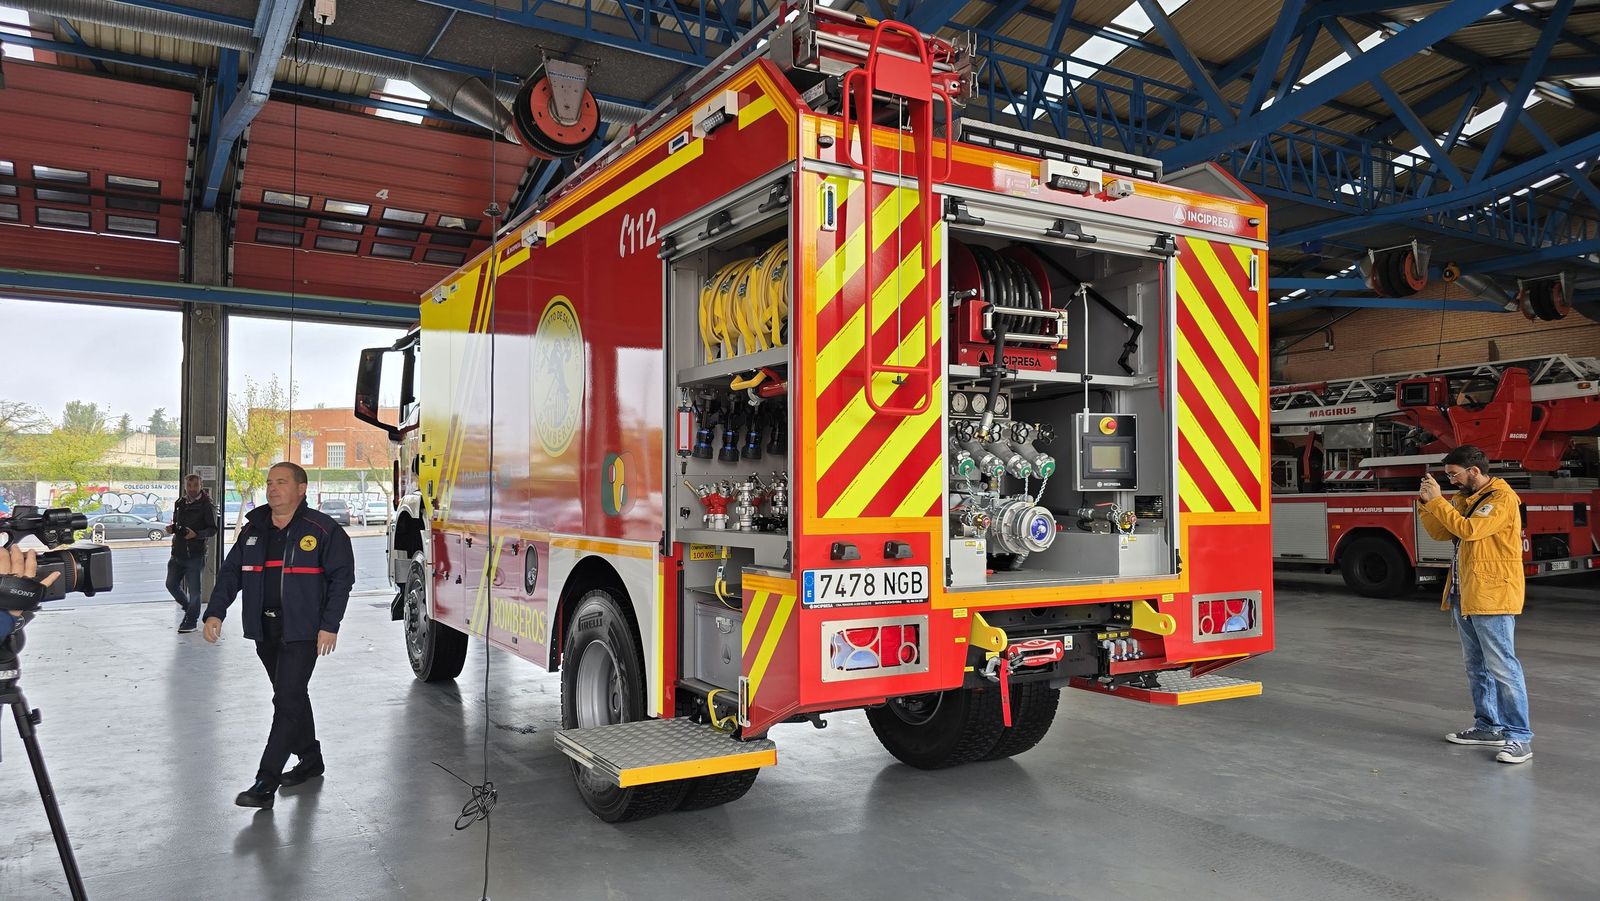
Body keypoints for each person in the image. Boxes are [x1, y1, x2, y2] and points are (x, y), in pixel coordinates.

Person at [203, 462, 355, 808]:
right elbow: (230, 574)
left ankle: (265, 781)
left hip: (302, 632)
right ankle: (311, 759)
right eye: (269, 482)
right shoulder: (254, 530)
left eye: (281, 482)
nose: (272, 489)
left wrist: (329, 625)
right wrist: (215, 611)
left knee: (286, 702)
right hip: (265, 630)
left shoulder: (322, 529)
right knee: (292, 696)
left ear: (301, 488)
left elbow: (342, 580)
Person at [1418, 445, 1532, 765]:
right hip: (1466, 595)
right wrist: (1429, 504)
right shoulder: (1467, 499)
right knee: (1476, 668)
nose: (1451, 480)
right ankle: (1488, 726)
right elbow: (1442, 531)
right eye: (1447, 476)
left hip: (1492, 596)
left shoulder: (1501, 499)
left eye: (1454, 474)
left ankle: (1520, 737)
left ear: (1475, 471)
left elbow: (1470, 531)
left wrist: (1439, 500)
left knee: (1503, 669)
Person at [167, 474, 217, 634]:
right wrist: (173, 529)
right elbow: (178, 524)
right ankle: (190, 608)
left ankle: (191, 621)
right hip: (177, 553)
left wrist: (196, 535)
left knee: (195, 591)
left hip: (195, 554)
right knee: (170, 584)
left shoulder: (206, 505)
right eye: (189, 486)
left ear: (201, 485)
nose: (192, 489)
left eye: (196, 485)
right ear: (185, 486)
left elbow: (212, 529)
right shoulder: (180, 503)